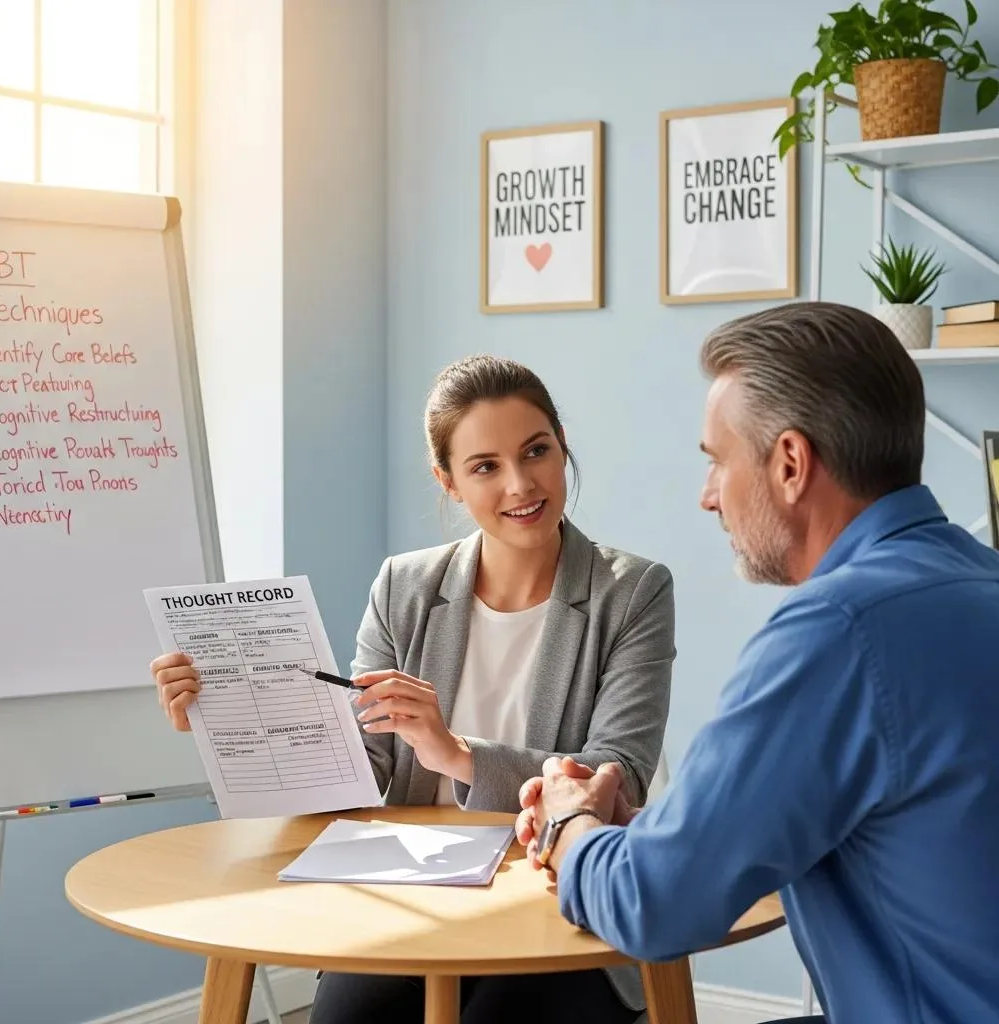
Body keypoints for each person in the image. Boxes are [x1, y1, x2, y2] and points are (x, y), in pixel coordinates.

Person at [150, 354, 676, 1024]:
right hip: (414, 890)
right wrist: (224, 717)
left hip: (555, 893)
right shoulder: (404, 585)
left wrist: (456, 754)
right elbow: (355, 769)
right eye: (485, 466)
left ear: (561, 447)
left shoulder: (632, 592)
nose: (521, 484)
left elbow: (618, 777)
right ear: (449, 482)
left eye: (536, 451)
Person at [515, 301, 999, 1024]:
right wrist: (650, 830)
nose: (708, 497)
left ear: (791, 465)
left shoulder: (838, 631)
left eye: (717, 461)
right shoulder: (977, 580)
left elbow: (656, 906)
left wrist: (568, 826)